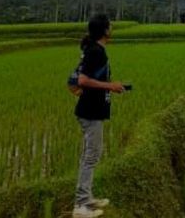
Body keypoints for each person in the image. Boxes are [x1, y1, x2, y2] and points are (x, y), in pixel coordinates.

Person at [73, 14, 125, 218]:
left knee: (91, 154)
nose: (111, 29)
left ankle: (87, 197)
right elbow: (83, 80)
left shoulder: (95, 50)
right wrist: (110, 86)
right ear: (104, 31)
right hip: (90, 111)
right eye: (109, 26)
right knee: (91, 155)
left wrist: (111, 87)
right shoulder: (96, 51)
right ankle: (81, 204)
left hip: (92, 109)